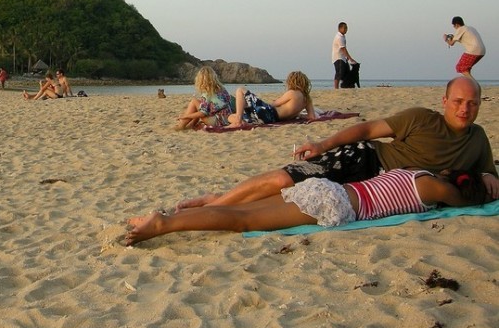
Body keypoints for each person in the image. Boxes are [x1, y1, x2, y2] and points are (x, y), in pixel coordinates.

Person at [173, 76, 498, 211]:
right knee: (283, 179)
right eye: (457, 101)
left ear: (480, 105)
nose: (464, 109)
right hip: (366, 160)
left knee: (289, 200)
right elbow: (366, 130)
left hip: (387, 190)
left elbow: (489, 175)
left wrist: (488, 176)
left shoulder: (478, 139)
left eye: (472, 104)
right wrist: (322, 145)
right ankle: (216, 205)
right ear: (445, 101)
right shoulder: (421, 118)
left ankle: (220, 199)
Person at [125, 168, 490, 245]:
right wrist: (486, 194)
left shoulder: (419, 174)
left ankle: (170, 219)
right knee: (241, 219)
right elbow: (466, 203)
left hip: (327, 190)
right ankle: (163, 224)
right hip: (335, 202)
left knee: (243, 215)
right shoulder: (433, 186)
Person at [227, 71, 317, 128]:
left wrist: (258, 103)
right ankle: (242, 121)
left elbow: (274, 104)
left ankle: (239, 119)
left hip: (269, 112)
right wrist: (300, 115)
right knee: (230, 117)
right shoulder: (307, 99)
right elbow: (311, 117)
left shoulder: (292, 93)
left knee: (240, 90)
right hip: (272, 119)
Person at [332, 22, 358, 89]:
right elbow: (343, 49)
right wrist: (350, 58)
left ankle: (346, 86)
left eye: (346, 28)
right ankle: (336, 88)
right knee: (339, 73)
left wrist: (347, 58)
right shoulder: (339, 37)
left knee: (346, 72)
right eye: (345, 28)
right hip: (338, 57)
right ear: (340, 28)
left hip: (343, 58)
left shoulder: (342, 36)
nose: (346, 29)